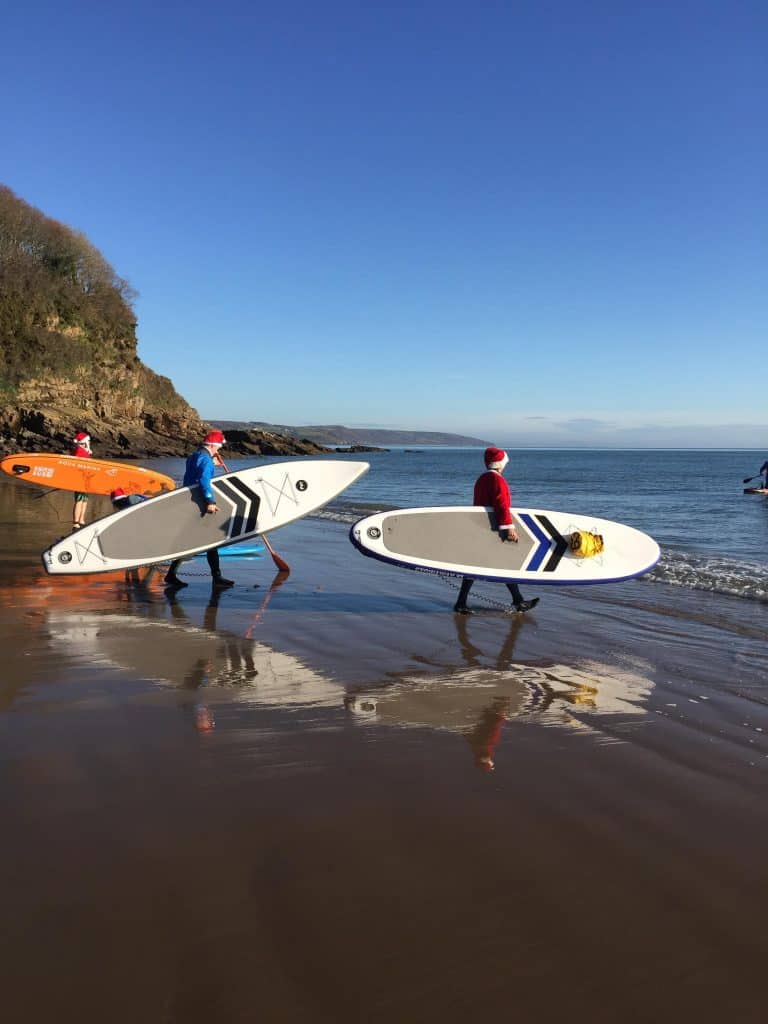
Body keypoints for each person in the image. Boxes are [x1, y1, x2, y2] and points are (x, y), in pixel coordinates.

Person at [453, 446, 540, 615]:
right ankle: (518, 601)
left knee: (477, 564)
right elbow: (501, 505)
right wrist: (509, 528)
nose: (505, 465)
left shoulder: (482, 479)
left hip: (480, 526)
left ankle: (462, 602)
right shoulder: (497, 480)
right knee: (503, 563)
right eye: (504, 462)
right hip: (492, 528)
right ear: (500, 463)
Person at [164, 429, 234, 590]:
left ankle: (174, 575)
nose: (219, 450)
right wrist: (210, 501)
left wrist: (211, 462)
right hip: (200, 503)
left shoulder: (195, 456)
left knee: (204, 541)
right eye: (218, 447)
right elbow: (203, 480)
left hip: (189, 501)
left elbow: (197, 471)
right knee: (204, 540)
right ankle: (214, 578)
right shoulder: (205, 460)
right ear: (212, 445)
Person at [70, 430, 92, 530]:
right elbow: (78, 464)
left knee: (84, 500)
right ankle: (76, 523)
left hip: (85, 479)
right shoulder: (79, 451)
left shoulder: (82, 451)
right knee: (79, 500)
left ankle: (81, 520)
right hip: (80, 480)